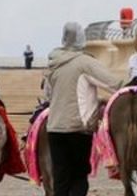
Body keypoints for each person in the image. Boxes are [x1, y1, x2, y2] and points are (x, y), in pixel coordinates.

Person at [43, 22, 124, 196]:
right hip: (78, 129)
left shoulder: (53, 63)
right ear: (81, 38)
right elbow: (113, 83)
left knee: (60, 179)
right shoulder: (85, 62)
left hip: (54, 128)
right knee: (79, 177)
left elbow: (48, 96)